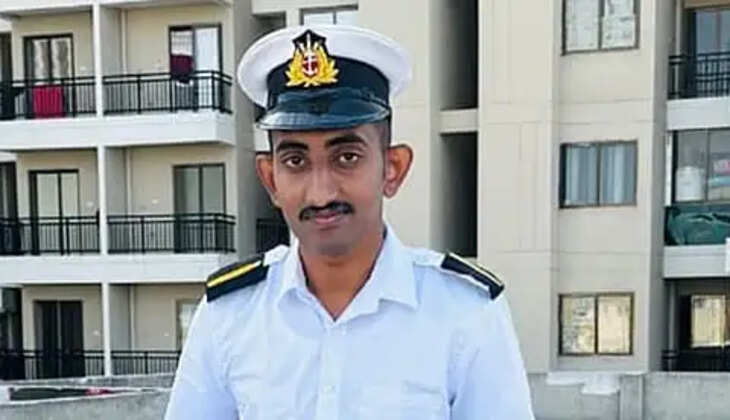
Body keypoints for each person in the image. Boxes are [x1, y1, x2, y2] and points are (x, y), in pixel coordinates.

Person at [164, 24, 534, 420]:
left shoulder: (465, 312)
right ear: (271, 179)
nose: (321, 193)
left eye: (347, 158)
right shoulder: (229, 316)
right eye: (296, 161)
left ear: (392, 169)